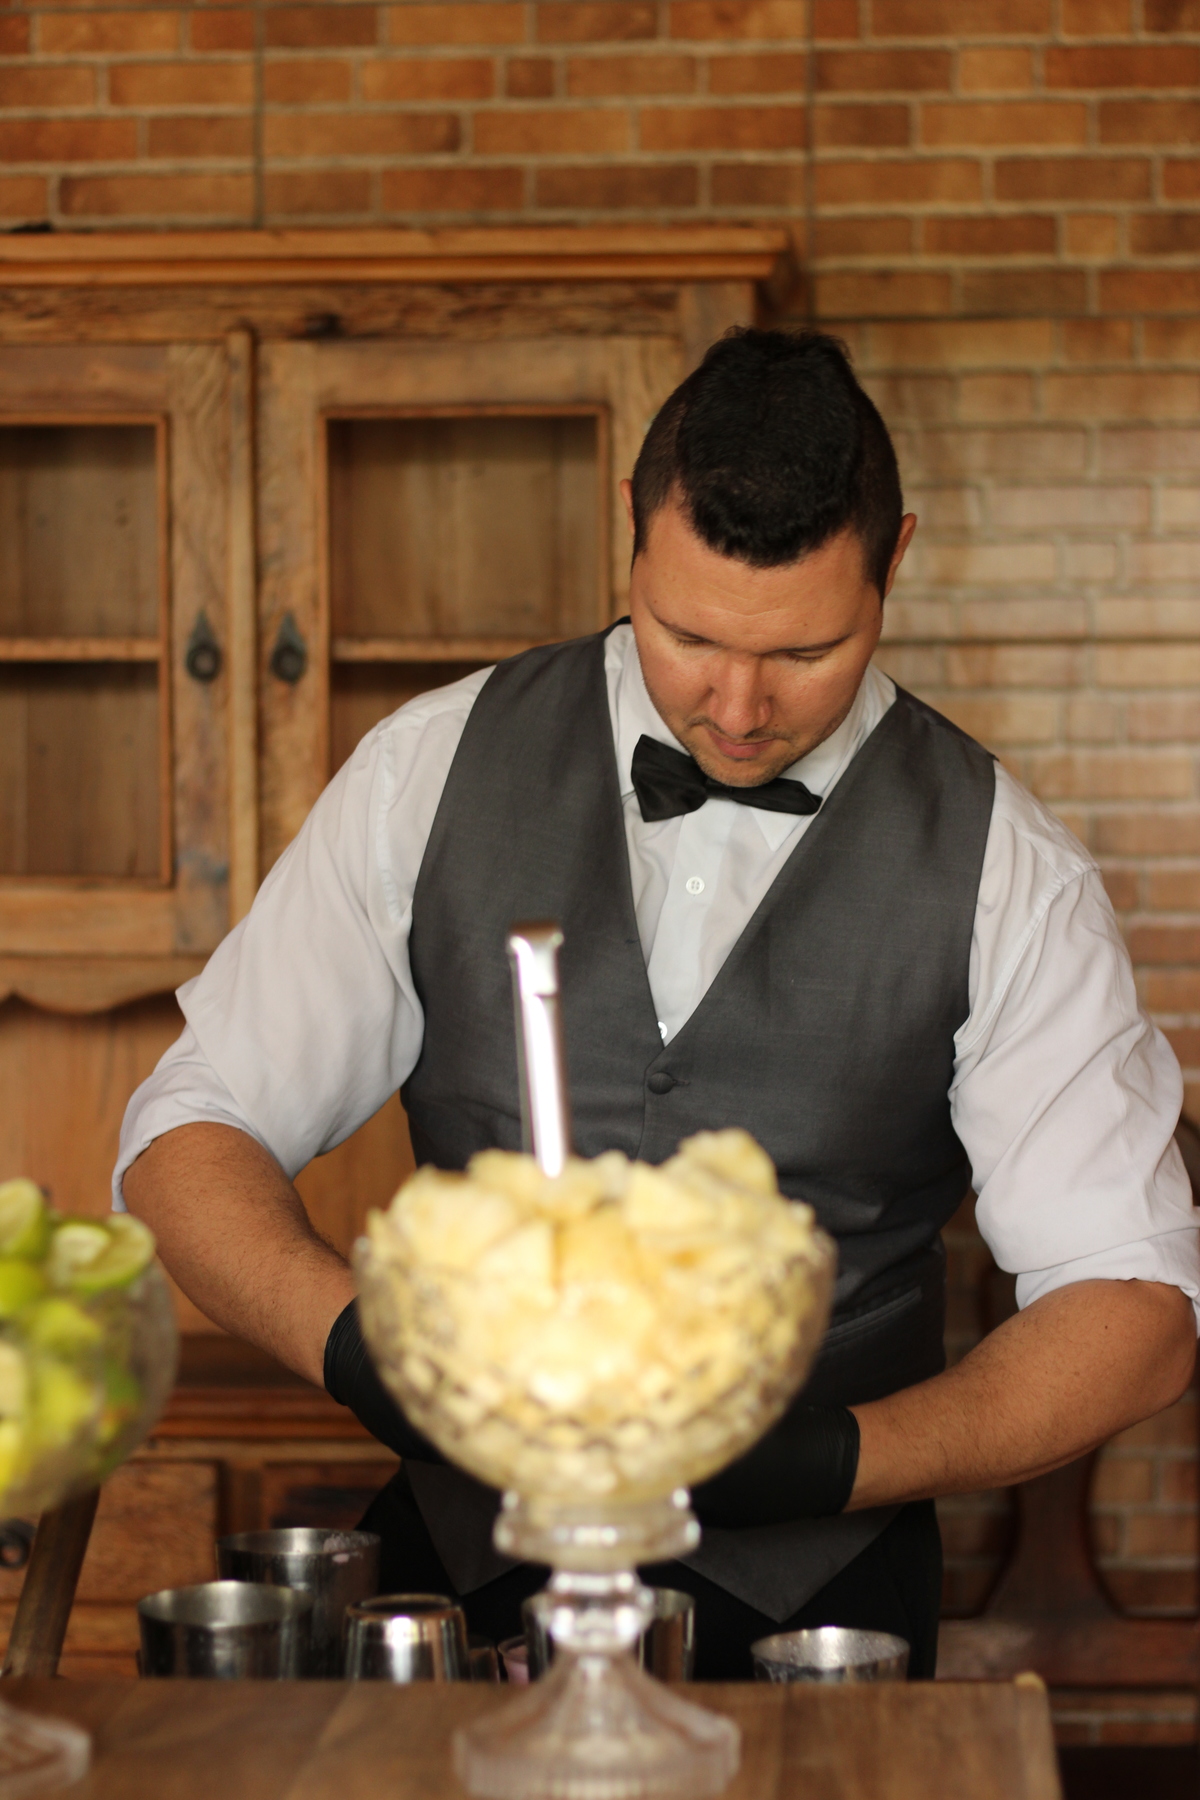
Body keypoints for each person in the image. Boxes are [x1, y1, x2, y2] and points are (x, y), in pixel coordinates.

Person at [118, 329, 1198, 1680]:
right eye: (688, 636)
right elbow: (190, 1130)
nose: (737, 708)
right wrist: (363, 1350)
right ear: (630, 526)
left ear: (898, 559)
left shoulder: (1007, 868)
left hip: (824, 1608)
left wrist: (839, 1454)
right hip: (459, 1580)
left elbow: (1133, 1302)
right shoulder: (427, 770)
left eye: (807, 649)